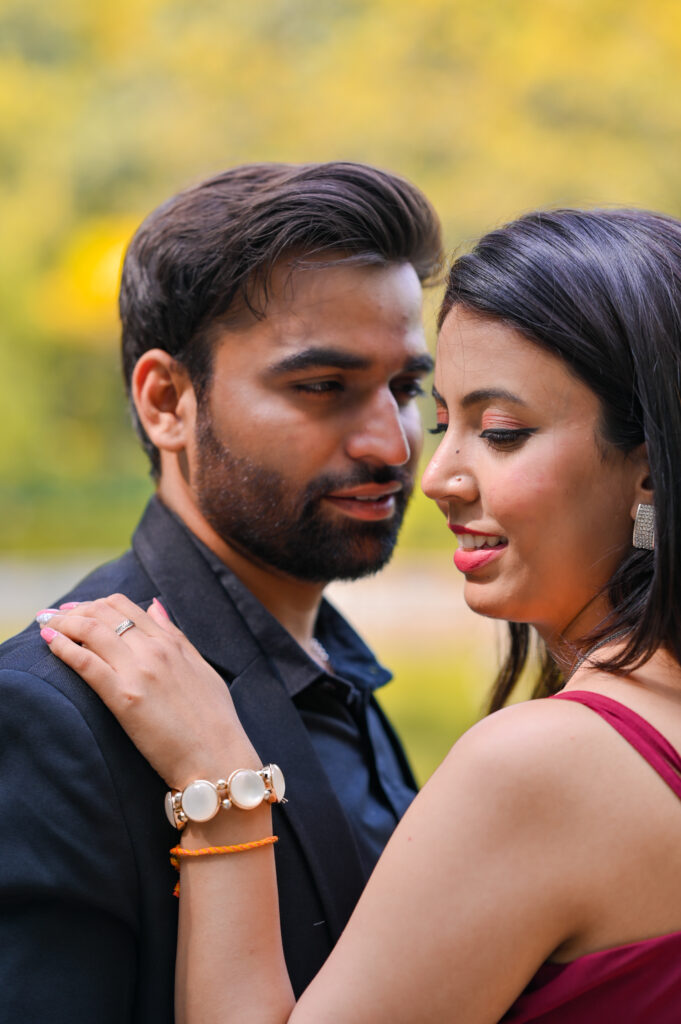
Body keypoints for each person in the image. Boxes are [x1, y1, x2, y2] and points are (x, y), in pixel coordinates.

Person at [42, 207, 681, 1022]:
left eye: (502, 431)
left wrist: (220, 788)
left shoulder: (540, 767)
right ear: (165, 399)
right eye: (443, 419)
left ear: (652, 470)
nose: (430, 469)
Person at [0, 162, 443, 1023]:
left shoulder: (337, 668)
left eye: (406, 388)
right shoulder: (50, 714)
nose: (393, 445)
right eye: (323, 387)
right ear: (167, 400)